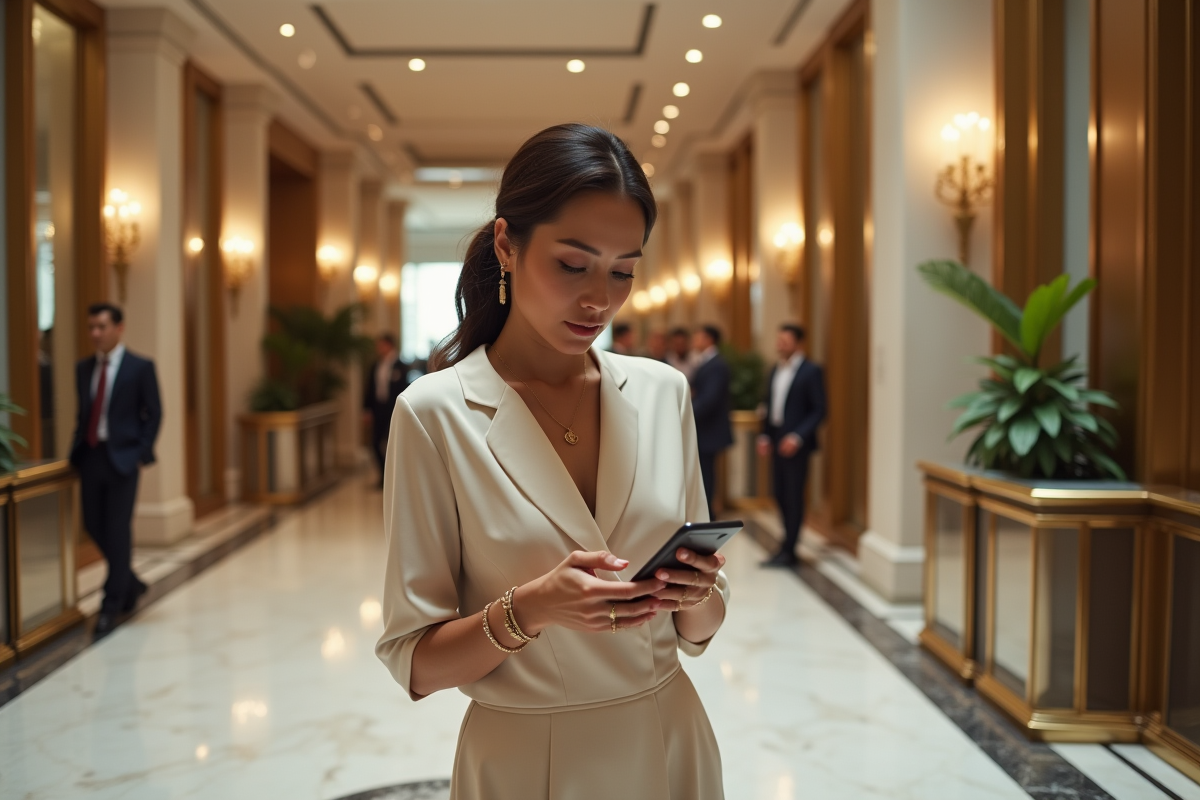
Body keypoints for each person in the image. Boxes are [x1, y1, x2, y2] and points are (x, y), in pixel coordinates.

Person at [376, 124, 728, 800]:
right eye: (573, 264)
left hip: (668, 738)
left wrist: (697, 593)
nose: (600, 299)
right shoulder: (434, 414)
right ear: (507, 245)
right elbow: (415, 662)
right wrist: (532, 607)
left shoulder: (663, 394)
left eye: (623, 270)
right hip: (523, 760)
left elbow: (701, 627)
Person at [69, 303, 162, 634]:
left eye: (101, 327)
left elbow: (155, 412)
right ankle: (131, 582)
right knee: (93, 525)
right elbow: (83, 415)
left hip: (123, 459)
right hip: (92, 457)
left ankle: (111, 604)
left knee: (118, 529)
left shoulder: (140, 367)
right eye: (91, 327)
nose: (95, 333)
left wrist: (141, 451)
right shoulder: (83, 369)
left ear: (118, 328)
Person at [758, 324, 826, 567]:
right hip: (776, 438)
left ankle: (790, 548)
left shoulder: (811, 371)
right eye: (779, 340)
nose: (780, 345)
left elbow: (819, 410)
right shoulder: (776, 369)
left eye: (785, 341)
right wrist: (765, 436)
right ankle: (786, 544)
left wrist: (797, 437)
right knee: (779, 494)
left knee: (794, 495)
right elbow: (769, 405)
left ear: (798, 343)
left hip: (795, 444)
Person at [689, 325, 734, 520]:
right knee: (704, 475)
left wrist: (686, 413)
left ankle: (707, 517)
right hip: (705, 430)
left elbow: (709, 400)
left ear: (708, 339)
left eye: (698, 337)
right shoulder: (706, 362)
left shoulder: (716, 364)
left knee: (707, 477)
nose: (695, 341)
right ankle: (705, 514)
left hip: (709, 431)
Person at [363, 333, 408, 489]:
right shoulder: (376, 365)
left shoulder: (401, 366)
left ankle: (395, 480)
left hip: (394, 409)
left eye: (381, 345)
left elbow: (404, 389)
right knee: (375, 443)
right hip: (378, 409)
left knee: (392, 443)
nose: (378, 348)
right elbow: (369, 388)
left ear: (389, 345)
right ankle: (383, 476)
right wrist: (367, 409)